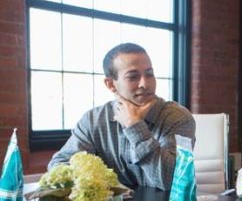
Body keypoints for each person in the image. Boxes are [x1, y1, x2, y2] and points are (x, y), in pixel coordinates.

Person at [48, 43, 195, 191]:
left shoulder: (177, 117)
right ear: (111, 84)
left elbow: (173, 181)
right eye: (133, 77)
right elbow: (59, 165)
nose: (145, 83)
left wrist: (135, 127)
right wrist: (94, 183)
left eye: (149, 74)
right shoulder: (94, 120)